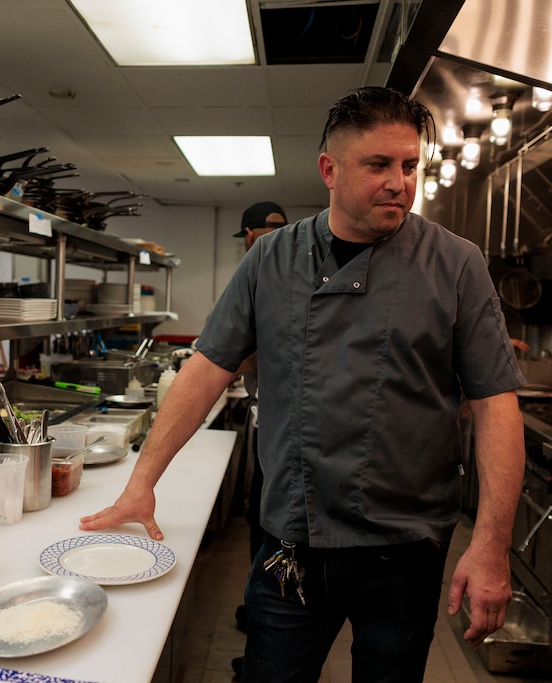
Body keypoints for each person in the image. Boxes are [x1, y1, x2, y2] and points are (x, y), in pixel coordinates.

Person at [80, 87, 526, 682]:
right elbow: (206, 368)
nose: (400, 182)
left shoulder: (457, 264)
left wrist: (492, 544)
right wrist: (141, 483)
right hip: (292, 541)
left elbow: (496, 405)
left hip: (405, 550)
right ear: (329, 170)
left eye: (409, 165)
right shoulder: (270, 260)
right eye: (378, 165)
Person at [230, 202, 289, 675]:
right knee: (258, 518)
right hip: (262, 419)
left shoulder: (286, 273)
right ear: (248, 233)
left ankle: (265, 629)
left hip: (284, 426)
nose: (272, 235)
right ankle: (258, 619)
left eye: (279, 228)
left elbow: (257, 354)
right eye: (265, 228)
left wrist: (226, 355)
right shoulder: (252, 273)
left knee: (270, 521)